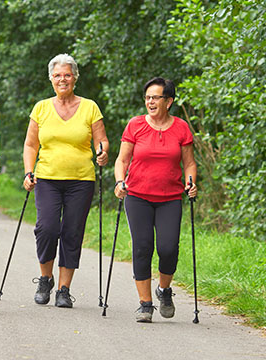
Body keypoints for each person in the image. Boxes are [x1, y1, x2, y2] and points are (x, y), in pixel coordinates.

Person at [23, 53, 109, 308]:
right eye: (58, 75)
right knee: (47, 229)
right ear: (51, 78)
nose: (63, 79)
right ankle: (45, 278)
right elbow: (30, 144)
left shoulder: (90, 107)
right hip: (47, 178)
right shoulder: (41, 108)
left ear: (75, 78)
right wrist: (29, 172)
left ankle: (63, 289)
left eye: (67, 75)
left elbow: (101, 140)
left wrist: (102, 152)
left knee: (72, 232)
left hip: (81, 180)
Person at [113, 77, 197, 322]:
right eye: (147, 97)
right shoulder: (135, 125)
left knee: (168, 249)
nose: (150, 102)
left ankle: (164, 290)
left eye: (155, 97)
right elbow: (122, 160)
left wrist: (191, 183)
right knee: (142, 247)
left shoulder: (181, 128)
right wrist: (120, 182)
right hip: (137, 195)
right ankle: (145, 304)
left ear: (168, 101)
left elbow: (189, 163)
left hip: (170, 197)